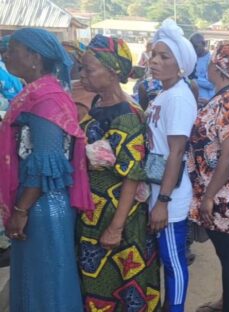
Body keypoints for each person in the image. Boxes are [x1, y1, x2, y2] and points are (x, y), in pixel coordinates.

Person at [0, 27, 94, 311]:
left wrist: (21, 211)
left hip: (41, 206)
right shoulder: (34, 95)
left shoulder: (47, 100)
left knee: (47, 283)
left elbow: (47, 163)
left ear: (34, 57)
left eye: (12, 49)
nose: (5, 55)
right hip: (35, 203)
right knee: (33, 280)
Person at [77, 34, 160, 311]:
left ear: (112, 72)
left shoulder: (126, 114)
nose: (82, 75)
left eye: (89, 70)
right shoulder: (100, 106)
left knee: (122, 284)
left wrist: (116, 227)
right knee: (98, 284)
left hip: (117, 217)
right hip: (94, 212)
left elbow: (133, 175)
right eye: (82, 69)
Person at [189, 41, 229, 312]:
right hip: (221, 192)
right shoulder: (228, 96)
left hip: (224, 195)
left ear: (218, 67)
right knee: (227, 253)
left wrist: (209, 196)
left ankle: (228, 307)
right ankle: (227, 302)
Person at [145, 19, 197, 312]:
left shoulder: (179, 97)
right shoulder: (162, 95)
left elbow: (176, 153)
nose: (155, 61)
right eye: (154, 54)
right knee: (165, 256)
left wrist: (163, 201)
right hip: (157, 188)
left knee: (173, 258)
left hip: (171, 195)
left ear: (180, 65)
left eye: (164, 56)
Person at [190, 33, 215, 102]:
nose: (193, 49)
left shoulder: (211, 61)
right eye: (191, 47)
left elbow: (211, 84)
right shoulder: (191, 58)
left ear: (204, 44)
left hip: (206, 100)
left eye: (195, 46)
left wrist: (194, 78)